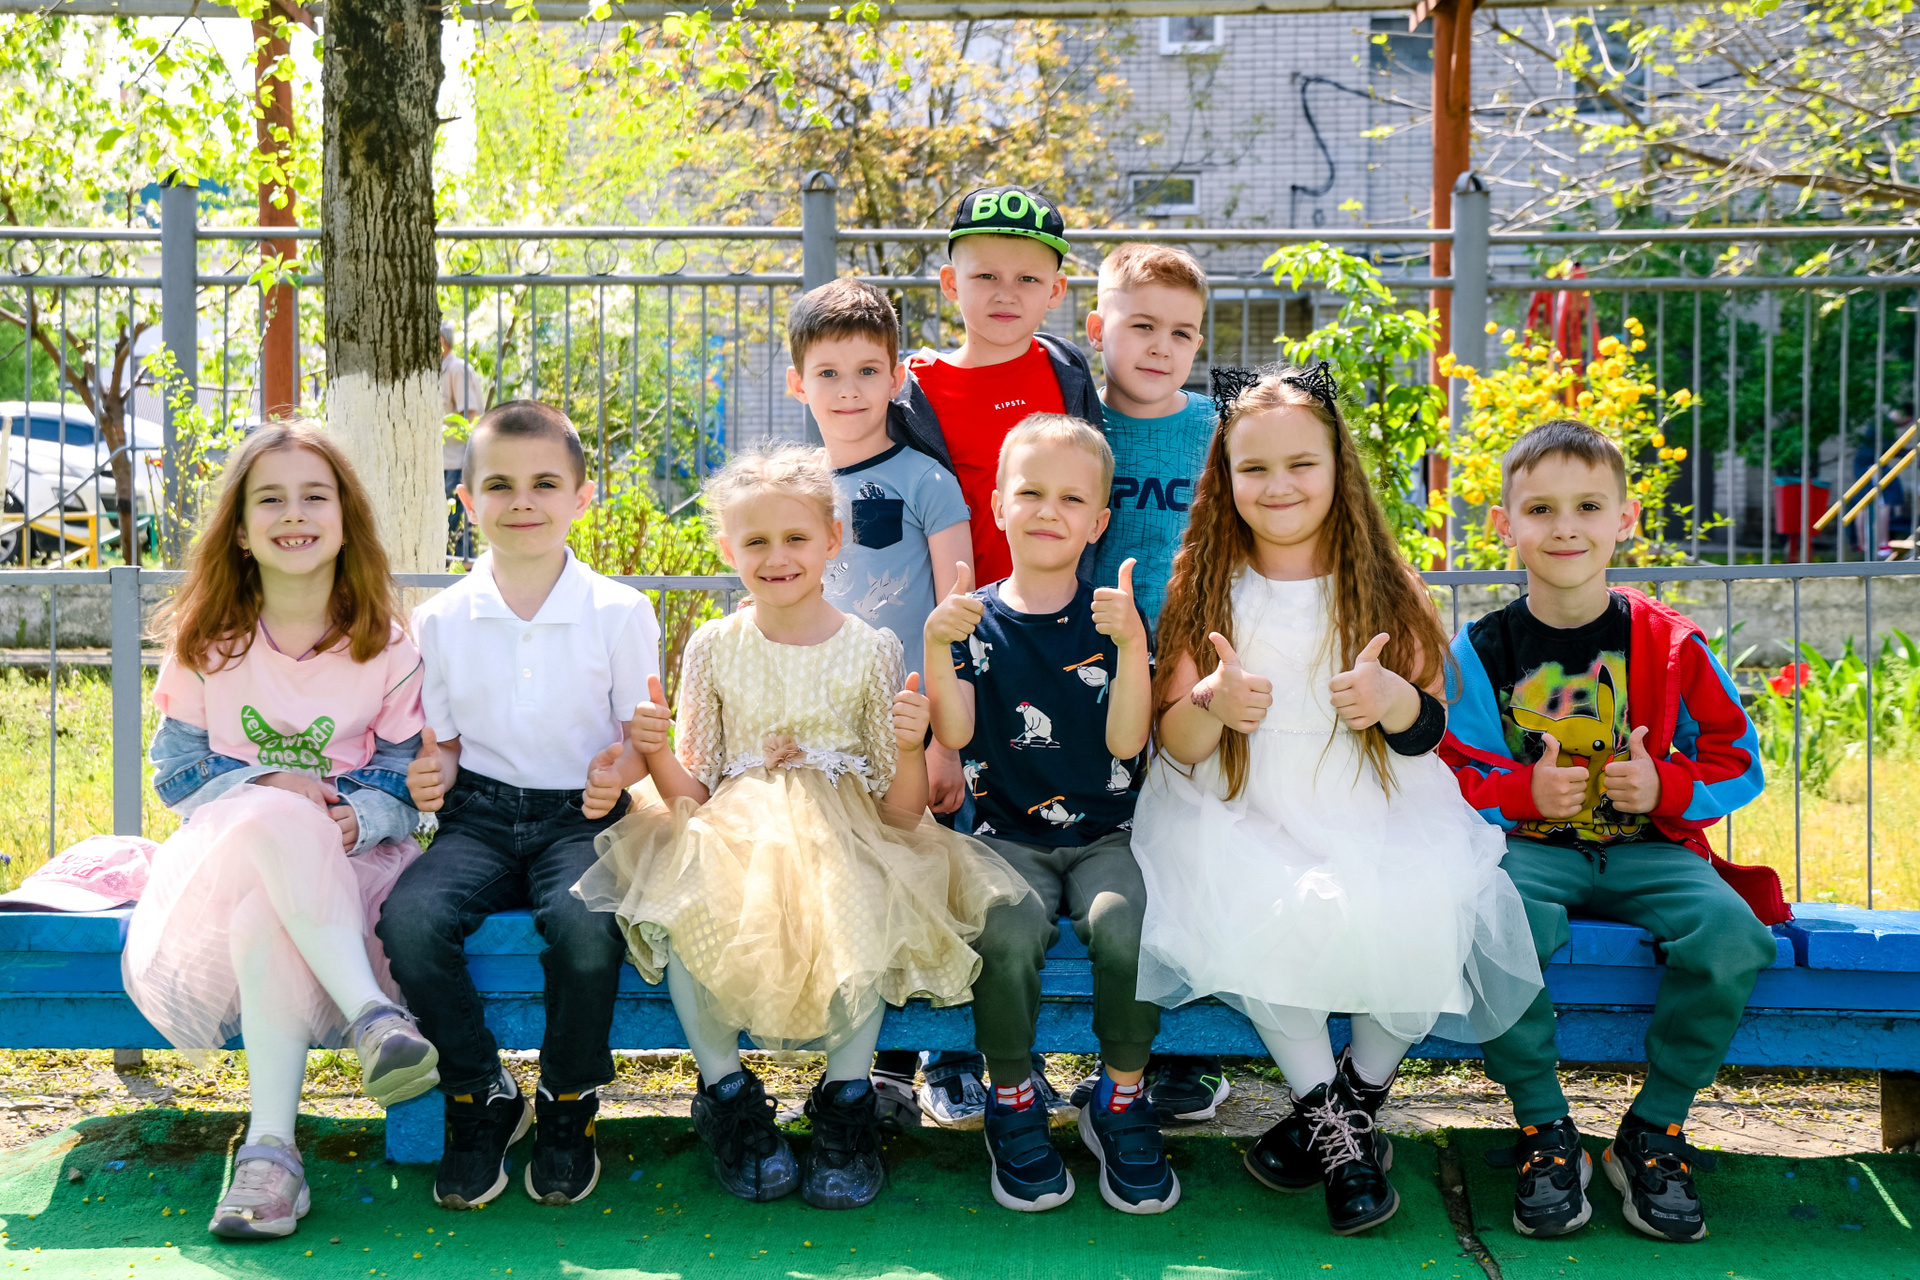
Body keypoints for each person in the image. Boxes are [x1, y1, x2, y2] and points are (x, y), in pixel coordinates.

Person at [1130, 365, 1543, 1236]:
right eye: (1254, 468)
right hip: (1239, 808)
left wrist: (1393, 703)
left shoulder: (1386, 584)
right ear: (1224, 477)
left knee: (1423, 904)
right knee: (1266, 911)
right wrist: (1211, 703)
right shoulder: (1204, 585)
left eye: (1301, 464)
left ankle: (1342, 1109)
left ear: (1337, 469)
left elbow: (1428, 731)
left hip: (1376, 803)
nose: (1278, 485)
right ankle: (1344, 1145)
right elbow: (1175, 740)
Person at [574, 446, 1029, 1211]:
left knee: (858, 911)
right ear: (728, 550)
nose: (776, 556)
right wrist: (653, 752)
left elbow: (899, 812)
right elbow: (693, 793)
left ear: (832, 540)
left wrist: (910, 748)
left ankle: (847, 1107)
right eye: (755, 541)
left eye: (795, 538)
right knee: (689, 908)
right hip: (733, 830)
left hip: (848, 829)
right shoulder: (715, 645)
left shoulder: (871, 649)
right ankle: (729, 1098)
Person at [1440, 418, 1782, 1245]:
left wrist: (1667, 785)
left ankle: (1655, 1129)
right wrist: (1523, 791)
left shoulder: (1669, 644)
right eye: (1541, 509)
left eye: (1589, 506)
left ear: (1624, 519)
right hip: (1532, 851)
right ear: (1505, 525)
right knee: (1493, 923)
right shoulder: (1479, 650)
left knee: (1734, 935)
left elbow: (1740, 760)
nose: (1566, 528)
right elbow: (1450, 772)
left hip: (1653, 851)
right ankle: (1544, 1127)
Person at [125, 423, 436, 1241]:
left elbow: (404, 773)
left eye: (313, 496)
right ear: (239, 529)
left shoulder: (385, 645)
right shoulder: (209, 643)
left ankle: (270, 1156)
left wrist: (355, 815)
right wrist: (267, 783)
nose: (293, 513)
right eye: (270, 499)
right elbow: (176, 773)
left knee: (270, 911)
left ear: (345, 519)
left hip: (355, 869)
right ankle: (374, 1019)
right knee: (272, 815)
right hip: (231, 858)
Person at [378, 400, 662, 1211]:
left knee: (584, 926)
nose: (522, 501)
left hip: (583, 816)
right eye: (499, 485)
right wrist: (430, 774)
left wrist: (618, 770)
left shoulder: (619, 610)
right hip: (480, 815)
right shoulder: (439, 619)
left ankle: (568, 1099)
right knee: (411, 922)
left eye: (545, 483)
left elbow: (636, 741)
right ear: (468, 501)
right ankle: (480, 1093)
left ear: (582, 497)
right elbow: (444, 746)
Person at [882, 183, 1106, 1126]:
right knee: (945, 835)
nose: (1004, 293)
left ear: (1056, 290)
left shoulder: (1067, 375)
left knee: (1018, 850)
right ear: (949, 284)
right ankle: (938, 1050)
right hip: (947, 634)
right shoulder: (914, 388)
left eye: (1025, 277)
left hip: (1042, 641)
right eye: (984, 276)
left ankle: (1020, 1049)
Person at [926, 413, 1178, 1216]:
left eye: (1072, 498)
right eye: (1030, 492)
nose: (1048, 511)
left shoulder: (1114, 622)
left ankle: (1120, 1098)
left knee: (1126, 927)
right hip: (1005, 838)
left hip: (1108, 835)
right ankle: (1012, 1098)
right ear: (998, 505)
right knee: (1005, 930)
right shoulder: (973, 622)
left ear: (1098, 522)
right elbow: (955, 735)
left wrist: (1132, 647)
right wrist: (935, 645)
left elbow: (1129, 741)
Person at [782, 278, 985, 1126]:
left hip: (912, 728)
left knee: (923, 889)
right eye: (828, 374)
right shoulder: (791, 488)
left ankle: (934, 1060)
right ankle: (859, 1066)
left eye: (868, 371)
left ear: (898, 378)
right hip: (823, 736)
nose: (849, 391)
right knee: (849, 896)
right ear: (798, 383)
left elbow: (960, 620)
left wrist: (945, 743)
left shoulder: (926, 482)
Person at [1073, 241, 1228, 1125]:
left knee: (1184, 849)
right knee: (1104, 853)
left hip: (1190, 670)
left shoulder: (1217, 425)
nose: (1162, 347)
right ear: (1099, 328)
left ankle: (1188, 1054)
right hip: (1085, 669)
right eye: (1141, 326)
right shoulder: (1079, 423)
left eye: (1182, 332)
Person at [441, 319, 489, 560]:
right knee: (450, 531)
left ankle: (463, 572)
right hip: (444, 462)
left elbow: (469, 415)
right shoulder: (440, 371)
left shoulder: (457, 369)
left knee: (456, 531)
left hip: (457, 462)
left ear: (441, 342)